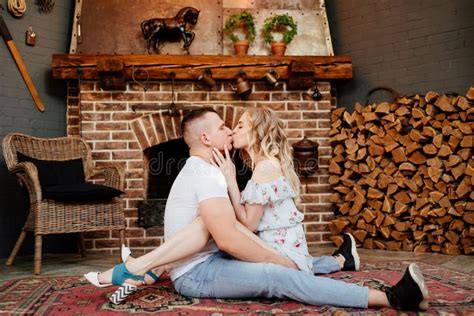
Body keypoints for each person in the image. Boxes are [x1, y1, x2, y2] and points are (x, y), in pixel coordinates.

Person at [85, 107, 429, 311]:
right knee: (278, 276)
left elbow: (232, 231)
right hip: (197, 274)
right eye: (223, 126)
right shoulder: (206, 175)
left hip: (207, 259)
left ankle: (337, 262)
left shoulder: (210, 172)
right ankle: (391, 298)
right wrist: (280, 261)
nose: (229, 129)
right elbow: (232, 238)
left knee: (287, 262)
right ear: (207, 139)